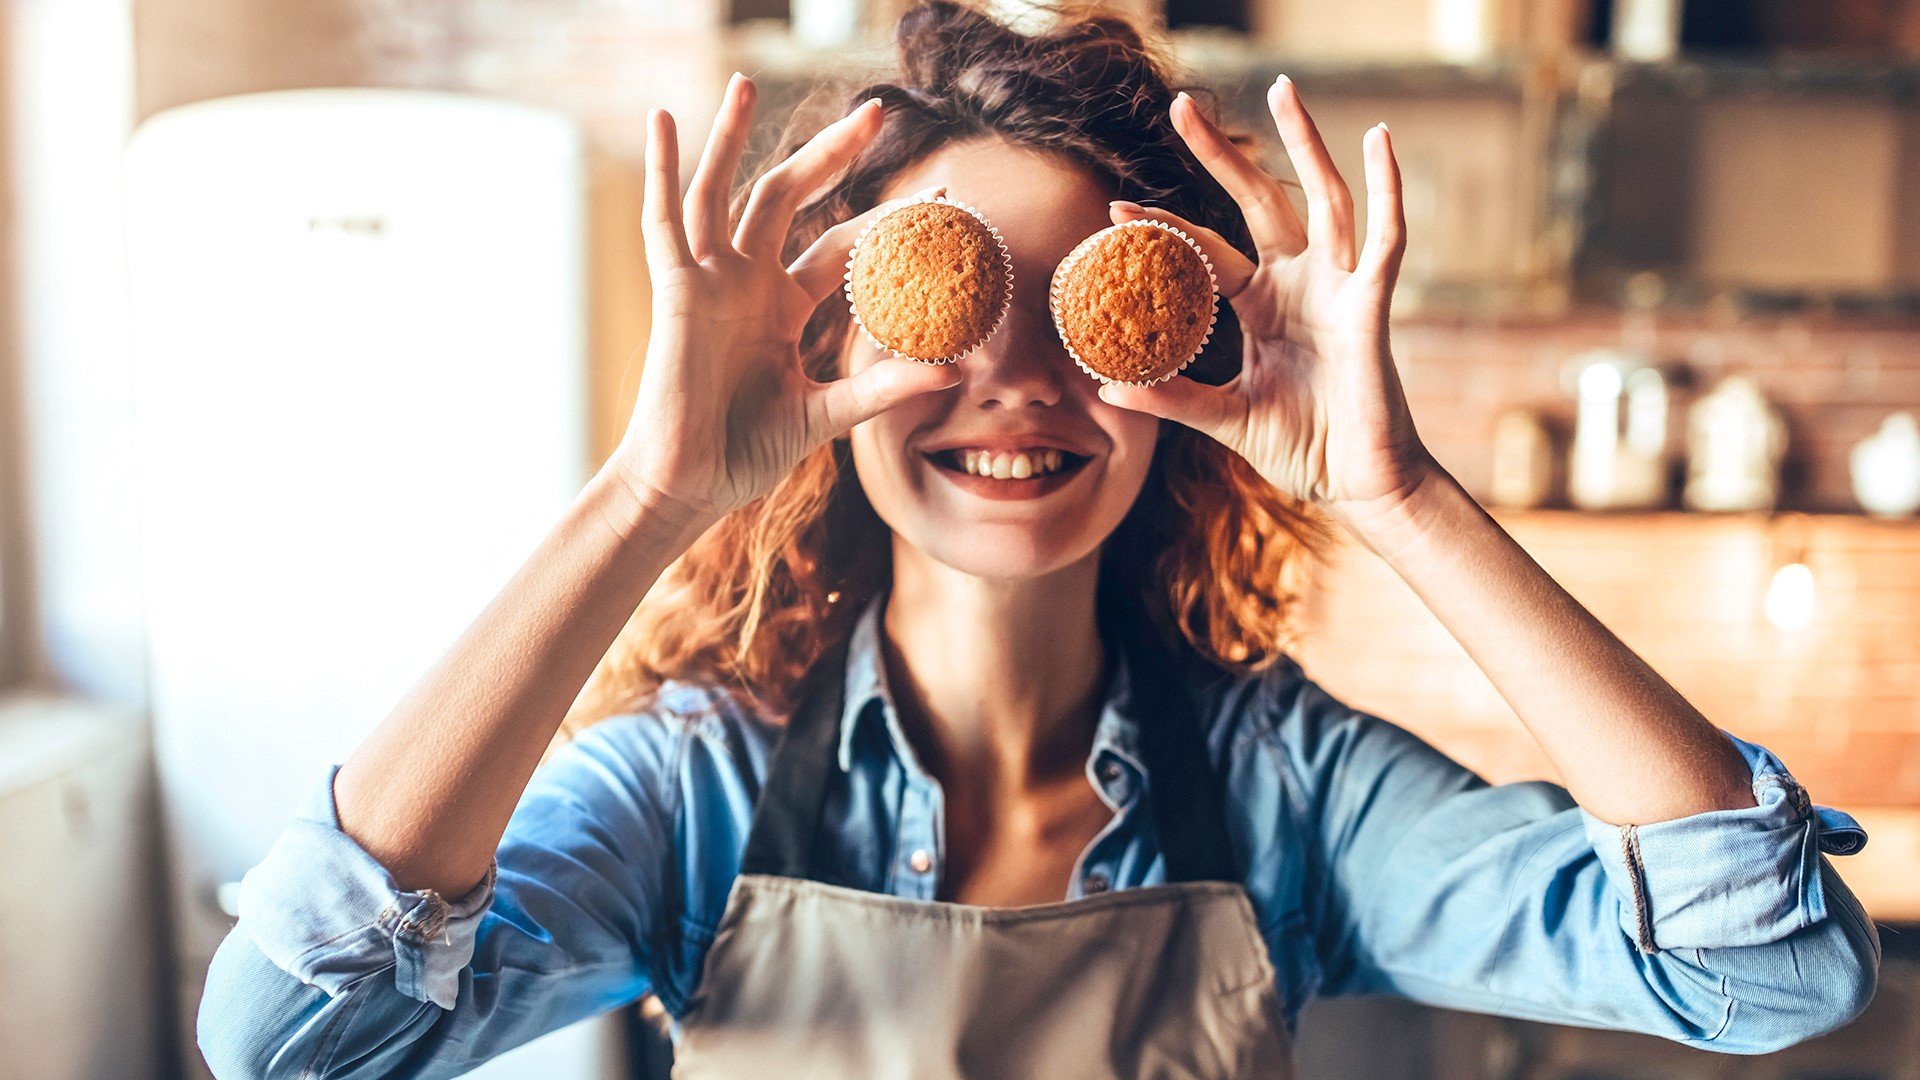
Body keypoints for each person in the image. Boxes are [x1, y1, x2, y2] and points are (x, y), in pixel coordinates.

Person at [196, 3, 1880, 1077]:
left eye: (1085, 318)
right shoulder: (691, 802)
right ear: (831, 357)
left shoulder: (1289, 797)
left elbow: (1773, 974)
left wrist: (1400, 494)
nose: (1014, 388)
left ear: (1172, 374)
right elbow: (287, 1037)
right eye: (945, 309)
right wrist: (650, 496)